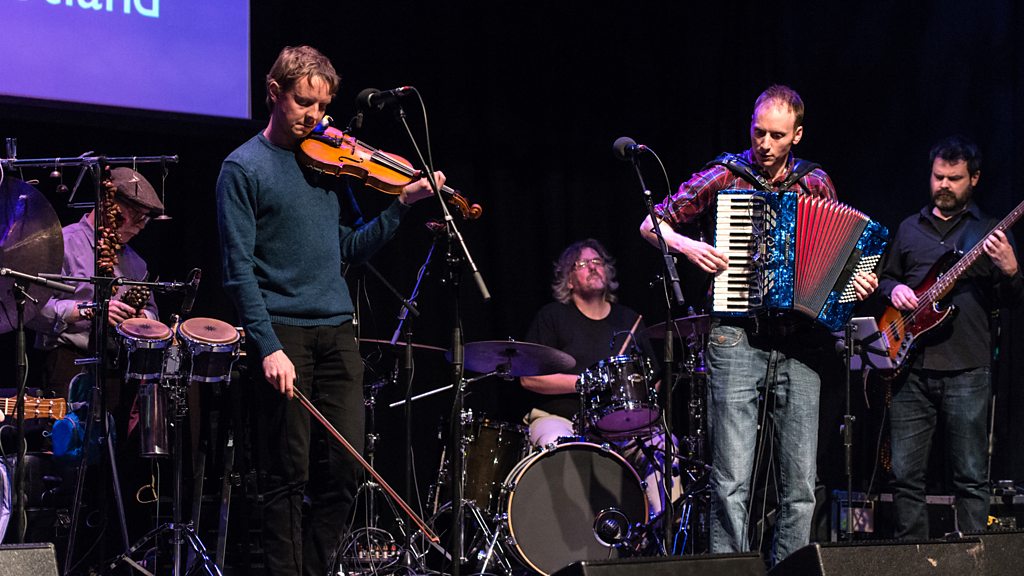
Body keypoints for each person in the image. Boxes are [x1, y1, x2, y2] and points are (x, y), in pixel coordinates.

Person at [216, 45, 442, 576]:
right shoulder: (242, 168)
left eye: (322, 106)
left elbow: (348, 250)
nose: (315, 117)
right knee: (285, 475)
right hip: (284, 334)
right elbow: (237, 270)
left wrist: (401, 206)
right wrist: (267, 345)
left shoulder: (325, 166)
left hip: (338, 332)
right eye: (303, 103)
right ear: (274, 93)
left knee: (345, 470)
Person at [638, 85, 877, 564]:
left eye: (777, 135)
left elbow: (842, 259)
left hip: (801, 342)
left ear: (797, 135)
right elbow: (650, 223)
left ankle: (791, 570)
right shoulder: (725, 176)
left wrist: (858, 281)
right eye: (759, 132)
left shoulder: (815, 183)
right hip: (735, 336)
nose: (765, 144)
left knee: (801, 485)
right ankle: (730, 570)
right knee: (731, 480)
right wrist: (689, 246)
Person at [879, 136, 1022, 539]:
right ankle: (913, 558)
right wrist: (894, 290)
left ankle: (973, 559)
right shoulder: (910, 227)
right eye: (938, 176)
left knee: (971, 477)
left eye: (953, 178)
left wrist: (1011, 270)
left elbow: (1013, 300)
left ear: (973, 179)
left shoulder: (990, 232)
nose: (943, 184)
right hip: (910, 367)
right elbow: (886, 279)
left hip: (967, 368)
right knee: (905, 477)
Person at [520, 238, 678, 516]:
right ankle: (571, 529)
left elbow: (653, 378)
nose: (592, 267)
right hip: (561, 419)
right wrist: (586, 382)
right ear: (569, 280)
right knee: (559, 445)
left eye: (597, 261)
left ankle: (662, 529)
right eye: (582, 264)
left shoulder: (629, 320)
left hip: (623, 427)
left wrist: (638, 401)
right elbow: (528, 378)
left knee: (665, 447)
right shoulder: (553, 316)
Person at [34, 167, 162, 400]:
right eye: (135, 215)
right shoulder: (61, 245)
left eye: (145, 219)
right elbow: (34, 308)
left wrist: (142, 318)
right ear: (106, 205)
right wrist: (90, 310)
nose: (140, 226)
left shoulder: (136, 263)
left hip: (118, 367)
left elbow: (153, 312)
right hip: (69, 361)